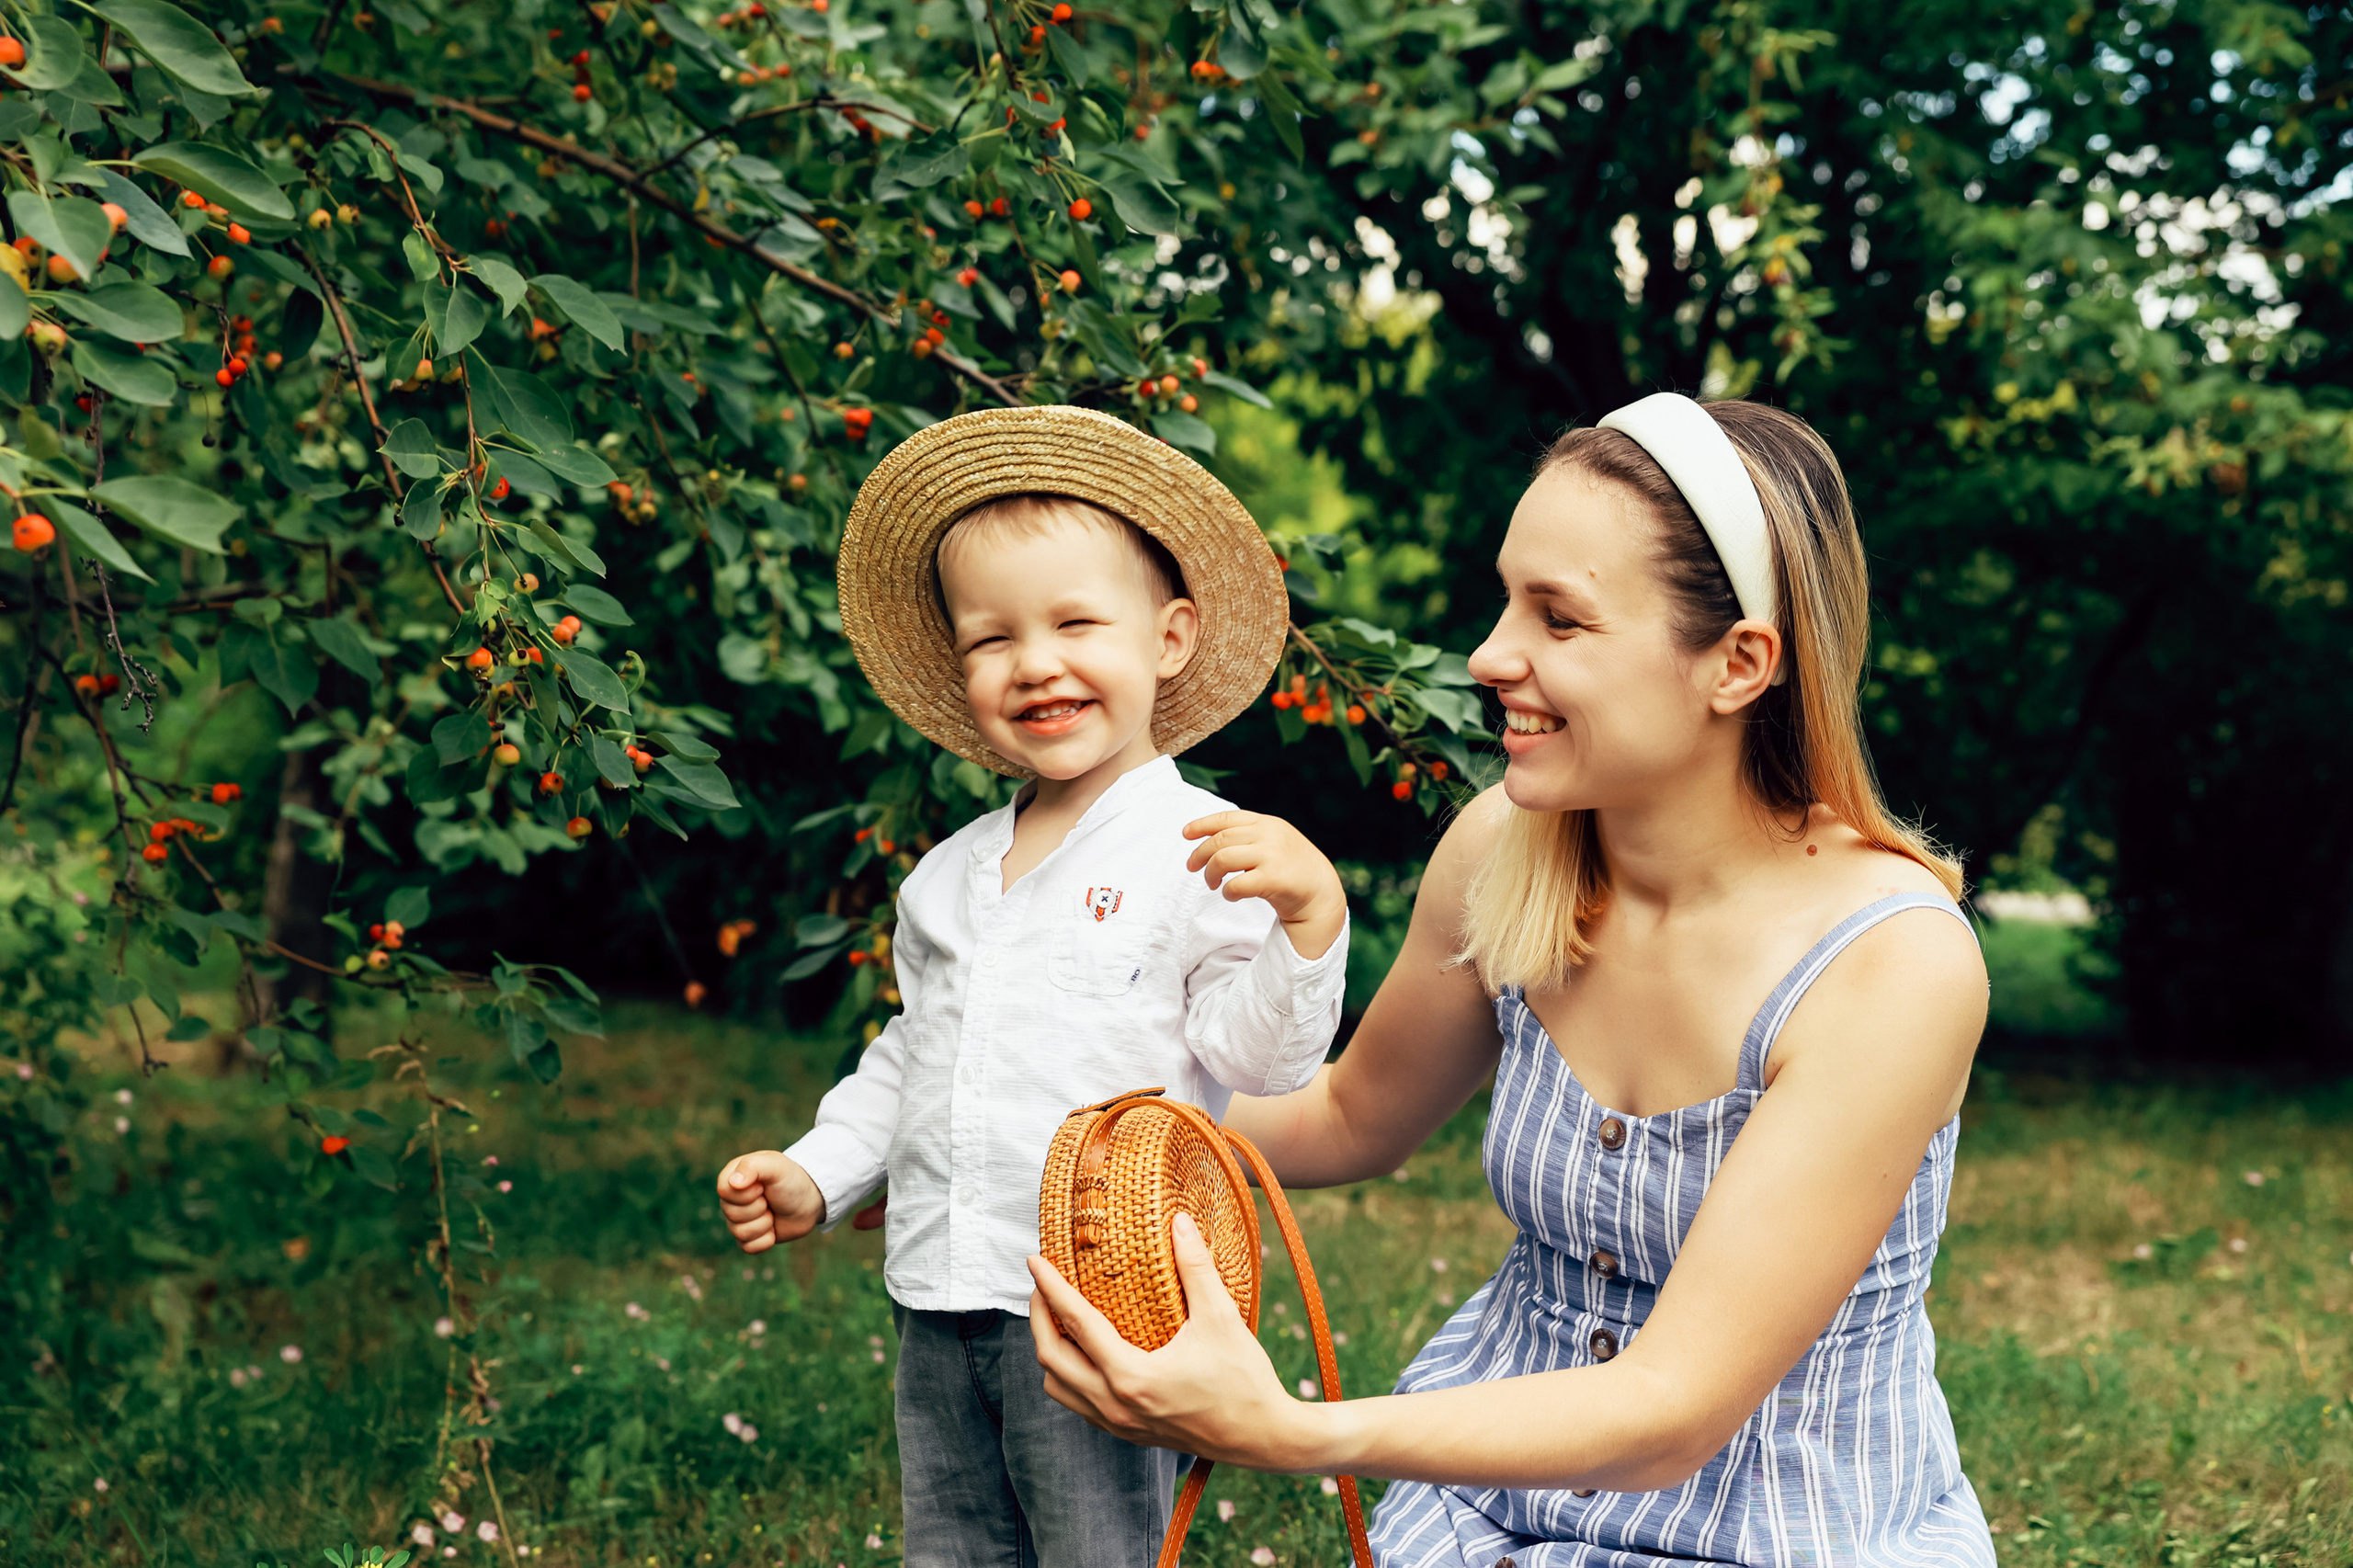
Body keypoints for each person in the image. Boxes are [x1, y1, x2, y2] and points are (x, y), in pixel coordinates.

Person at [1026, 393, 1999, 1566]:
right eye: (1506, 600)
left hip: (1780, 1530)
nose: (1490, 655)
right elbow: (1349, 1114)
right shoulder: (1505, 847)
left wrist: (1291, 1428)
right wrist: (1025, 1120)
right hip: (1484, 1515)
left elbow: (1673, 1407)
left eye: (1561, 618)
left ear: (1737, 664)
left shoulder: (1891, 965)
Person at [715, 405, 1355, 1568]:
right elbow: (914, 1053)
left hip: (1099, 1294)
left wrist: (1308, 925)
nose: (1035, 662)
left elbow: (1259, 1062)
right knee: (951, 1543)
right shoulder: (949, 873)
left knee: (1091, 1546)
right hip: (940, 1283)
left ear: (1168, 638)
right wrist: (818, 1168)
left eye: (1075, 621)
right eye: (990, 638)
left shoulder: (1200, 845)